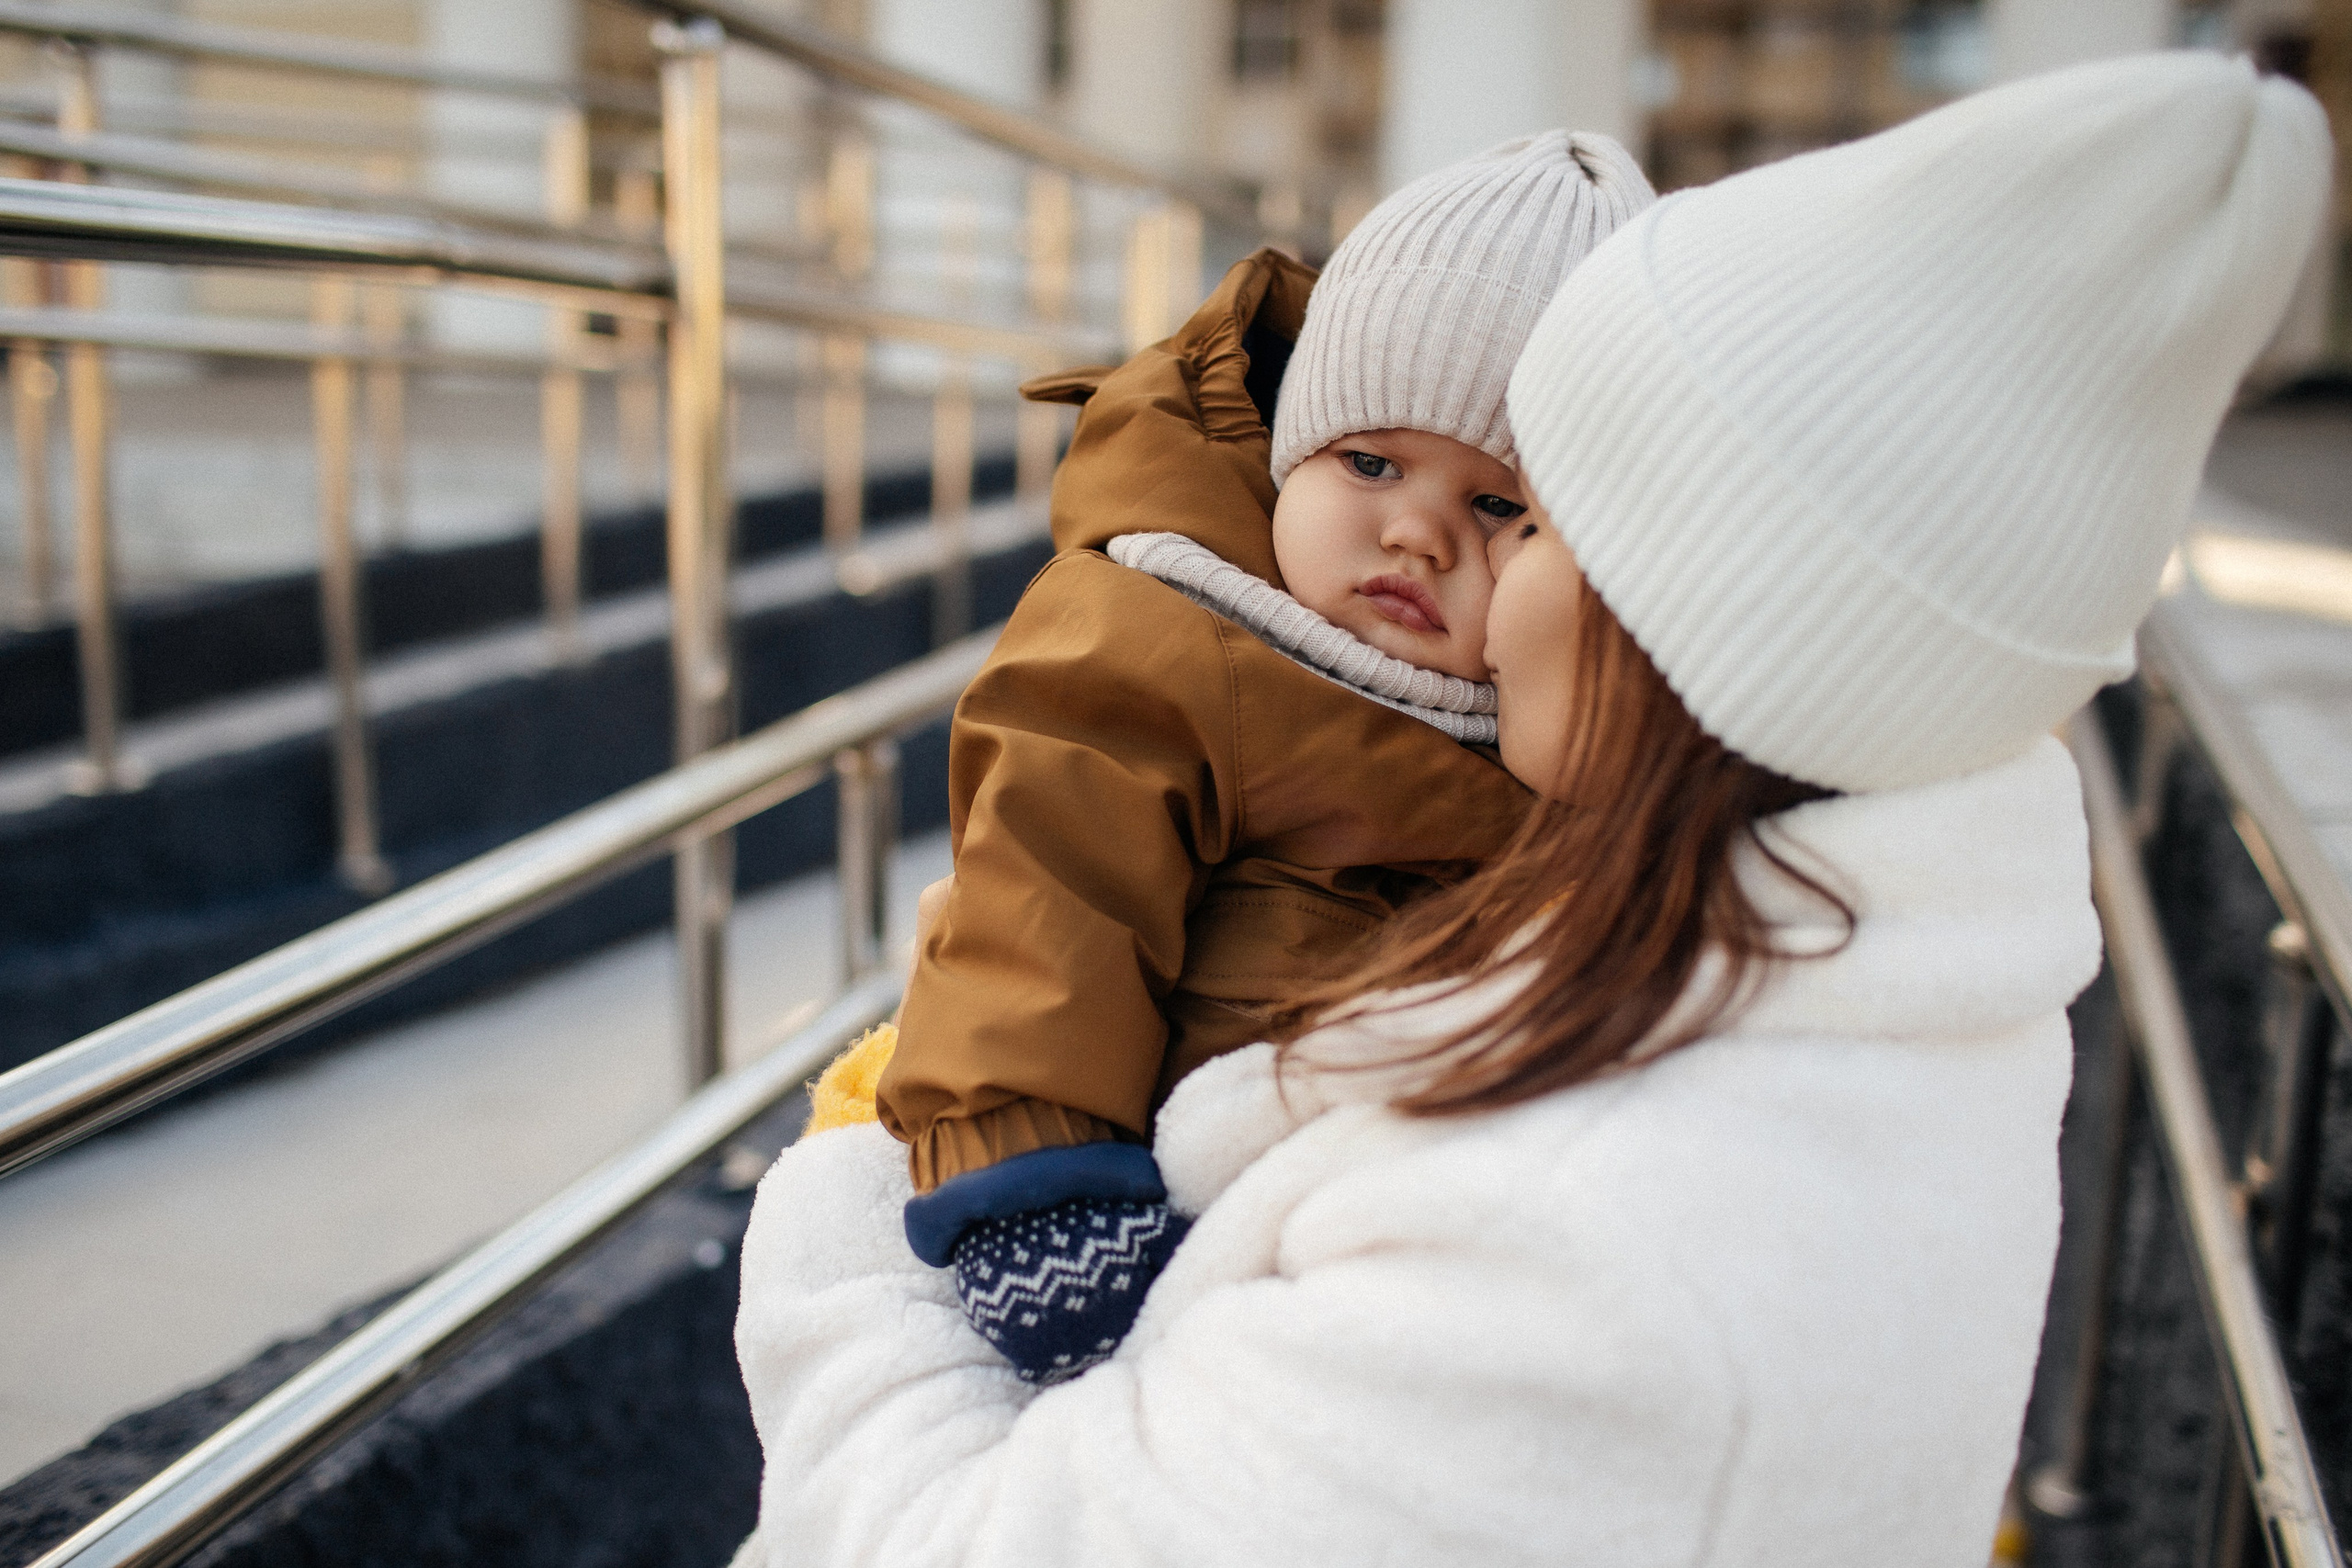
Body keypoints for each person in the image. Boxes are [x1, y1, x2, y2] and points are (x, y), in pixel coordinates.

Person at [729, 52, 2330, 1566]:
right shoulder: (1878, 969)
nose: (1468, 577)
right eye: (1375, 467)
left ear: (1690, 611)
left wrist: (856, 1174)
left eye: (1532, 511)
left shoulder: (1578, 1247)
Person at [870, 132, 1653, 1383]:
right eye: (1372, 462)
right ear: (1290, 444)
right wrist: (1035, 1175)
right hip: (1127, 1205)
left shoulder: (1541, 710)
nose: (1415, 531)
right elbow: (1046, 897)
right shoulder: (1168, 633)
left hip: (1371, 1228)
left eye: (1499, 505)